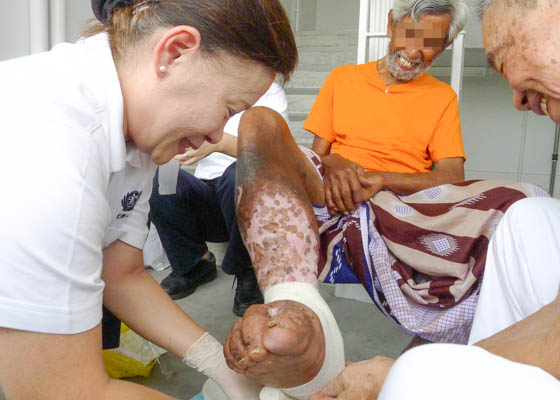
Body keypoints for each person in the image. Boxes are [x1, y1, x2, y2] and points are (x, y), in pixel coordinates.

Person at [0, 0, 297, 399]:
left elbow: (120, 271)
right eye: (228, 108)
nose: (215, 136)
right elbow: (66, 392)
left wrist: (219, 366)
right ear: (174, 52)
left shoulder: (137, 135)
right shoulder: (49, 147)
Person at [309, 0, 560, 398]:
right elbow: (315, 155)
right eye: (410, 35)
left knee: (524, 199)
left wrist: (382, 180)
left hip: (414, 197)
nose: (413, 52)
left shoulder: (441, 96)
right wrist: (337, 161)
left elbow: (450, 177)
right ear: (392, 25)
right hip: (342, 189)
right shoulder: (343, 78)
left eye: (430, 44)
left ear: (444, 48)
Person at [149, 82, 288, 316]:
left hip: (250, 191)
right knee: (163, 177)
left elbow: (272, 151)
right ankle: (194, 264)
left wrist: (220, 144)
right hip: (208, 192)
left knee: (237, 173)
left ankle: (249, 272)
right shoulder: (205, 85)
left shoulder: (269, 92)